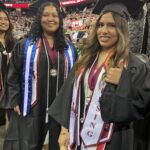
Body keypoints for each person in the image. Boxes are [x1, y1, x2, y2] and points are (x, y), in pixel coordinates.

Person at [48, 2, 150, 150]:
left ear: (122, 29)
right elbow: (68, 95)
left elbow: (143, 104)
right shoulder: (85, 59)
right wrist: (64, 130)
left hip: (113, 138)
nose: (104, 30)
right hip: (79, 133)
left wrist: (125, 81)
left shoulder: (133, 64)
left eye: (111, 25)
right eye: (101, 25)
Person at [0, 2, 76, 150]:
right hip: (32, 106)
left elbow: (75, 75)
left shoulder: (69, 47)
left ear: (60, 20)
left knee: (57, 144)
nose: (50, 19)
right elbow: (13, 73)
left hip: (59, 107)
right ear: (39, 19)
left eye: (54, 15)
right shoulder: (24, 45)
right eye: (46, 15)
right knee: (28, 144)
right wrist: (15, 98)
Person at [0, 8, 15, 126]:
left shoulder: (13, 42)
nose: (4, 22)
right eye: (0, 19)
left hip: (10, 90)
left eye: (6, 19)